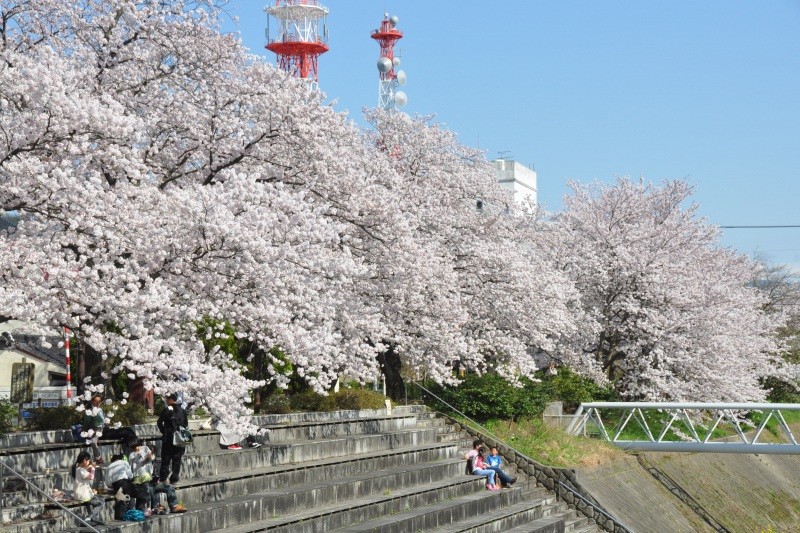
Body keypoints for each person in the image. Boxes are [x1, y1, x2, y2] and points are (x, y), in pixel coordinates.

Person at [129, 439, 187, 514]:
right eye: (134, 447)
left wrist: (150, 456)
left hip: (152, 481)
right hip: (141, 482)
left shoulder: (146, 450)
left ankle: (174, 506)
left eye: (138, 446)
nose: (137, 448)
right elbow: (132, 469)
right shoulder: (132, 455)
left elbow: (152, 458)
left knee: (169, 487)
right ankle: (155, 508)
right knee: (148, 489)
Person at [157, 393, 187, 484]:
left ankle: (163, 478)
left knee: (166, 458)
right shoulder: (182, 410)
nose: (166, 400)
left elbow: (159, 422)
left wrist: (164, 431)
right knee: (177, 459)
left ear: (170, 399)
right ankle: (174, 478)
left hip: (168, 438)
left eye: (167, 399)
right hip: (179, 438)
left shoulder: (167, 410)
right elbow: (186, 424)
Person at [71, 451, 105, 526]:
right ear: (84, 460)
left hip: (80, 494)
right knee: (100, 503)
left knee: (99, 498)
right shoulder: (80, 470)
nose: (89, 462)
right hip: (84, 495)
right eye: (88, 460)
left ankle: (93, 519)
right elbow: (91, 477)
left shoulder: (77, 469)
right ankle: (89, 518)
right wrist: (93, 468)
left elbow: (86, 475)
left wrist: (89, 469)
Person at [106, 453, 136, 520]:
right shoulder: (124, 463)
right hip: (124, 482)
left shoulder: (109, 466)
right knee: (126, 498)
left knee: (120, 498)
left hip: (115, 484)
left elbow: (107, 481)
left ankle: (119, 516)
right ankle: (127, 514)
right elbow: (130, 475)